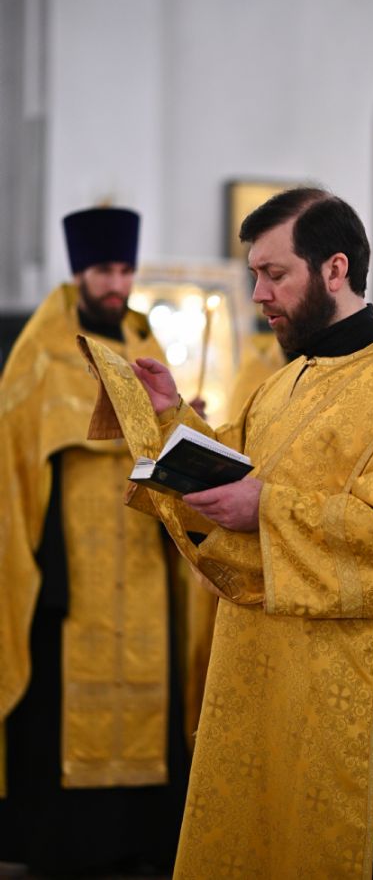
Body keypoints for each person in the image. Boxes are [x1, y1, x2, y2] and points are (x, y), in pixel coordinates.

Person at [87, 187, 373, 878]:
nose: (259, 294)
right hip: (260, 666)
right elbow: (233, 467)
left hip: (341, 686)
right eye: (255, 275)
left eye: (274, 274)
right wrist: (170, 415)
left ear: (334, 269)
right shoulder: (286, 379)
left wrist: (267, 508)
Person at [0, 206, 191, 876]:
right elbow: (15, 457)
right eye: (105, 270)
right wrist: (44, 567)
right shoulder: (42, 350)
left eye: (126, 270)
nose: (117, 284)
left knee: (151, 685)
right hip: (69, 564)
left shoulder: (144, 343)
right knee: (63, 698)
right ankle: (63, 844)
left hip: (143, 555)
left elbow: (169, 433)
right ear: (80, 271)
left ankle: (142, 837)